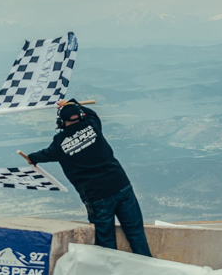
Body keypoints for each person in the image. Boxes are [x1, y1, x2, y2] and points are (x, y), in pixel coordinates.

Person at [26, 99, 152, 257]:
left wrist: (31, 158)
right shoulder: (92, 125)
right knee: (136, 234)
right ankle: (148, 268)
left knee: (106, 243)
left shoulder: (59, 143)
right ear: (81, 116)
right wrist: (72, 102)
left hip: (98, 197)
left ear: (61, 122)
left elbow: (44, 154)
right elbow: (91, 113)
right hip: (121, 185)